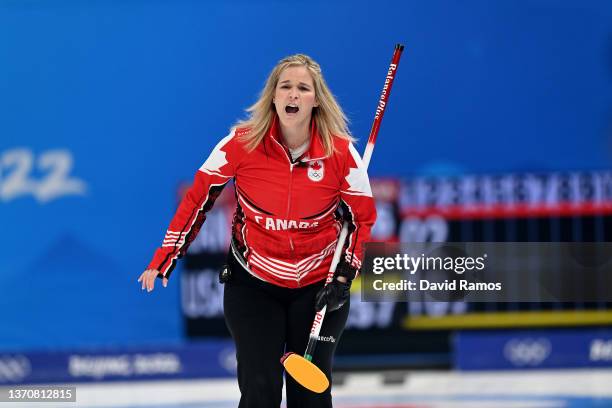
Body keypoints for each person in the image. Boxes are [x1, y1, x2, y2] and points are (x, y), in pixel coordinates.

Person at [138, 54, 376, 408]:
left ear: (316, 99)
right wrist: (164, 258)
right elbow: (197, 199)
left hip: (318, 285)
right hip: (253, 282)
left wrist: (343, 278)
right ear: (273, 96)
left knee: (309, 394)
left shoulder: (341, 153)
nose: (293, 94)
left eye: (302, 88)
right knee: (260, 386)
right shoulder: (240, 143)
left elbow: (362, 219)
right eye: (285, 87)